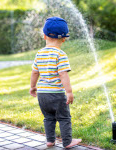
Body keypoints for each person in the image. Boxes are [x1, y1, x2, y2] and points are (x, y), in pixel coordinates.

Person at [29, 17, 81, 148]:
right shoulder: (60, 54)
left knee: (48, 118)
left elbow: (35, 72)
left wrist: (32, 87)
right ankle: (67, 141)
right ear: (64, 38)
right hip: (56, 94)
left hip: (42, 94)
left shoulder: (39, 54)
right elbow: (63, 74)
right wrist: (69, 92)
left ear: (44, 36)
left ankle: (50, 141)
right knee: (64, 117)